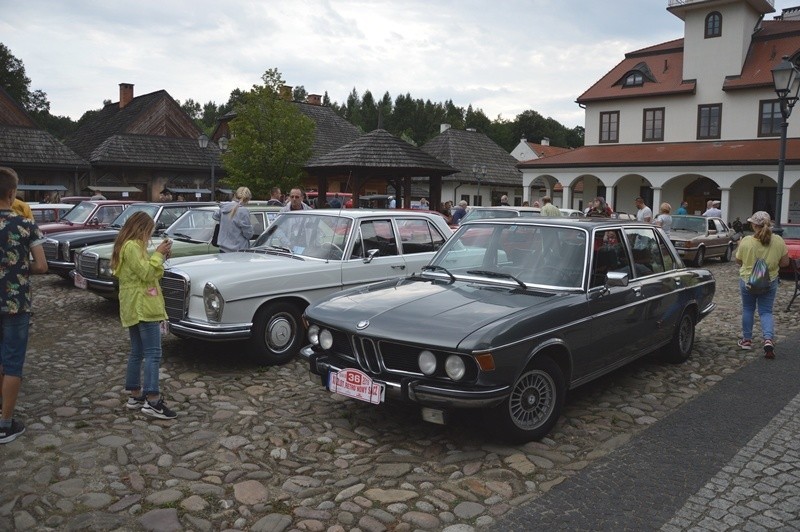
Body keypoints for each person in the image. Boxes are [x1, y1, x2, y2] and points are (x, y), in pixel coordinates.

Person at [112, 211, 177, 420]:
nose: (150, 237)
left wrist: (159, 257)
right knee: (153, 352)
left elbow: (149, 272)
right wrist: (158, 254)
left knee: (138, 351)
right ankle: (153, 399)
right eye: (149, 231)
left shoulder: (128, 246)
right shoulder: (132, 247)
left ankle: (135, 394)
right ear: (141, 229)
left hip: (134, 304)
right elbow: (147, 274)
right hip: (143, 306)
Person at [0, 167, 48, 444]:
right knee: (13, 361)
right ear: (12, 193)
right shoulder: (26, 226)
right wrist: (18, 266)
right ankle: (5, 423)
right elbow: (42, 266)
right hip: (16, 302)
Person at [735, 211, 789, 358]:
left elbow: (739, 261)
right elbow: (785, 262)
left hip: (747, 281)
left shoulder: (746, 241)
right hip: (769, 280)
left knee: (748, 309)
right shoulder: (778, 240)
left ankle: (746, 340)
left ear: (753, 225)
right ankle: (768, 339)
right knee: (766, 311)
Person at [214, 186, 254, 252]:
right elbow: (248, 234)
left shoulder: (224, 207)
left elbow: (215, 216)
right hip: (239, 250)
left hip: (223, 249)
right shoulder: (243, 211)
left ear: (235, 195)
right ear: (248, 199)